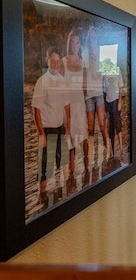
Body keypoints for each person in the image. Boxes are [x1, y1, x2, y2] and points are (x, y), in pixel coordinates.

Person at [32, 46, 70, 184]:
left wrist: (68, 129)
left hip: (60, 128)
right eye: (52, 60)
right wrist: (41, 134)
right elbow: (35, 109)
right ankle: (42, 199)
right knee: (45, 170)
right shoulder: (42, 82)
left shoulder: (62, 80)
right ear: (47, 61)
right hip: (47, 131)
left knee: (64, 163)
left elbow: (66, 106)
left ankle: (62, 195)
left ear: (60, 62)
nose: (55, 64)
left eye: (57, 61)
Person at [62, 29, 88, 175]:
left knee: (83, 134)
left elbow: (84, 85)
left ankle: (86, 167)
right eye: (73, 42)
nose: (75, 45)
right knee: (70, 136)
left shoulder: (82, 61)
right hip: (68, 102)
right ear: (69, 43)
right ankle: (71, 170)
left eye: (77, 42)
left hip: (79, 102)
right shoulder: (64, 61)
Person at [82, 26, 111, 158]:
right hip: (88, 95)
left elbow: (106, 76)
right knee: (90, 128)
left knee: (102, 123)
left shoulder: (102, 54)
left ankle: (108, 150)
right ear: (88, 39)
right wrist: (83, 93)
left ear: (96, 39)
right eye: (91, 37)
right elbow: (83, 77)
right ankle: (91, 156)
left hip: (99, 93)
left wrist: (107, 95)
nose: (92, 40)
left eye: (94, 37)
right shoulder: (84, 54)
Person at [103, 72, 124, 159]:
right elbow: (104, 90)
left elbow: (120, 88)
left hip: (115, 101)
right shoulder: (104, 73)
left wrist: (119, 102)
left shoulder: (118, 71)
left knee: (117, 125)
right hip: (108, 101)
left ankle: (121, 147)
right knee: (110, 127)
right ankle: (111, 151)